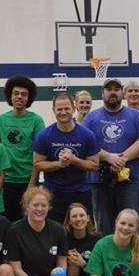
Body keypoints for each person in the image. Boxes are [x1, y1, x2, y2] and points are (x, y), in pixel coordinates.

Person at [82, 78, 139, 235]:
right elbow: (84, 144)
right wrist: (108, 157)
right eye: (109, 89)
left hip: (128, 182)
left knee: (131, 226)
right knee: (104, 229)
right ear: (102, 94)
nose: (113, 92)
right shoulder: (91, 117)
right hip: (99, 182)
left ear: (122, 93)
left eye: (116, 89)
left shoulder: (135, 116)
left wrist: (122, 158)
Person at [4, 187, 77, 276]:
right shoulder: (14, 230)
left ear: (49, 207)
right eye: (35, 205)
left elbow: (61, 263)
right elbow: (16, 269)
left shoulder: (58, 229)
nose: (40, 209)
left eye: (43, 205)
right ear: (27, 206)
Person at [32, 92, 100, 222]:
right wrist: (59, 164)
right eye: (59, 109)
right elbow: (38, 164)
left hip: (80, 192)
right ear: (53, 110)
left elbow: (94, 165)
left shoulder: (87, 135)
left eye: (66, 108)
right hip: (53, 193)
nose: (63, 112)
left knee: (83, 229)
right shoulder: (44, 136)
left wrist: (74, 160)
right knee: (54, 230)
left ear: (74, 108)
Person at [0, 75, 46, 221]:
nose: (19, 97)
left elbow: (38, 156)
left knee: (28, 222)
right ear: (10, 95)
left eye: (23, 94)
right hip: (5, 182)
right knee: (6, 222)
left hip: (27, 180)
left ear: (29, 98)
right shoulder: (1, 120)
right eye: (16, 93)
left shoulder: (36, 121)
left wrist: (31, 185)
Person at [63, 201, 100, 276]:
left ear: (88, 218)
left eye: (82, 215)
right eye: (74, 216)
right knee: (73, 262)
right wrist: (65, 255)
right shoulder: (63, 238)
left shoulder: (97, 240)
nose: (78, 219)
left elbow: (99, 271)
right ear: (69, 221)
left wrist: (83, 264)